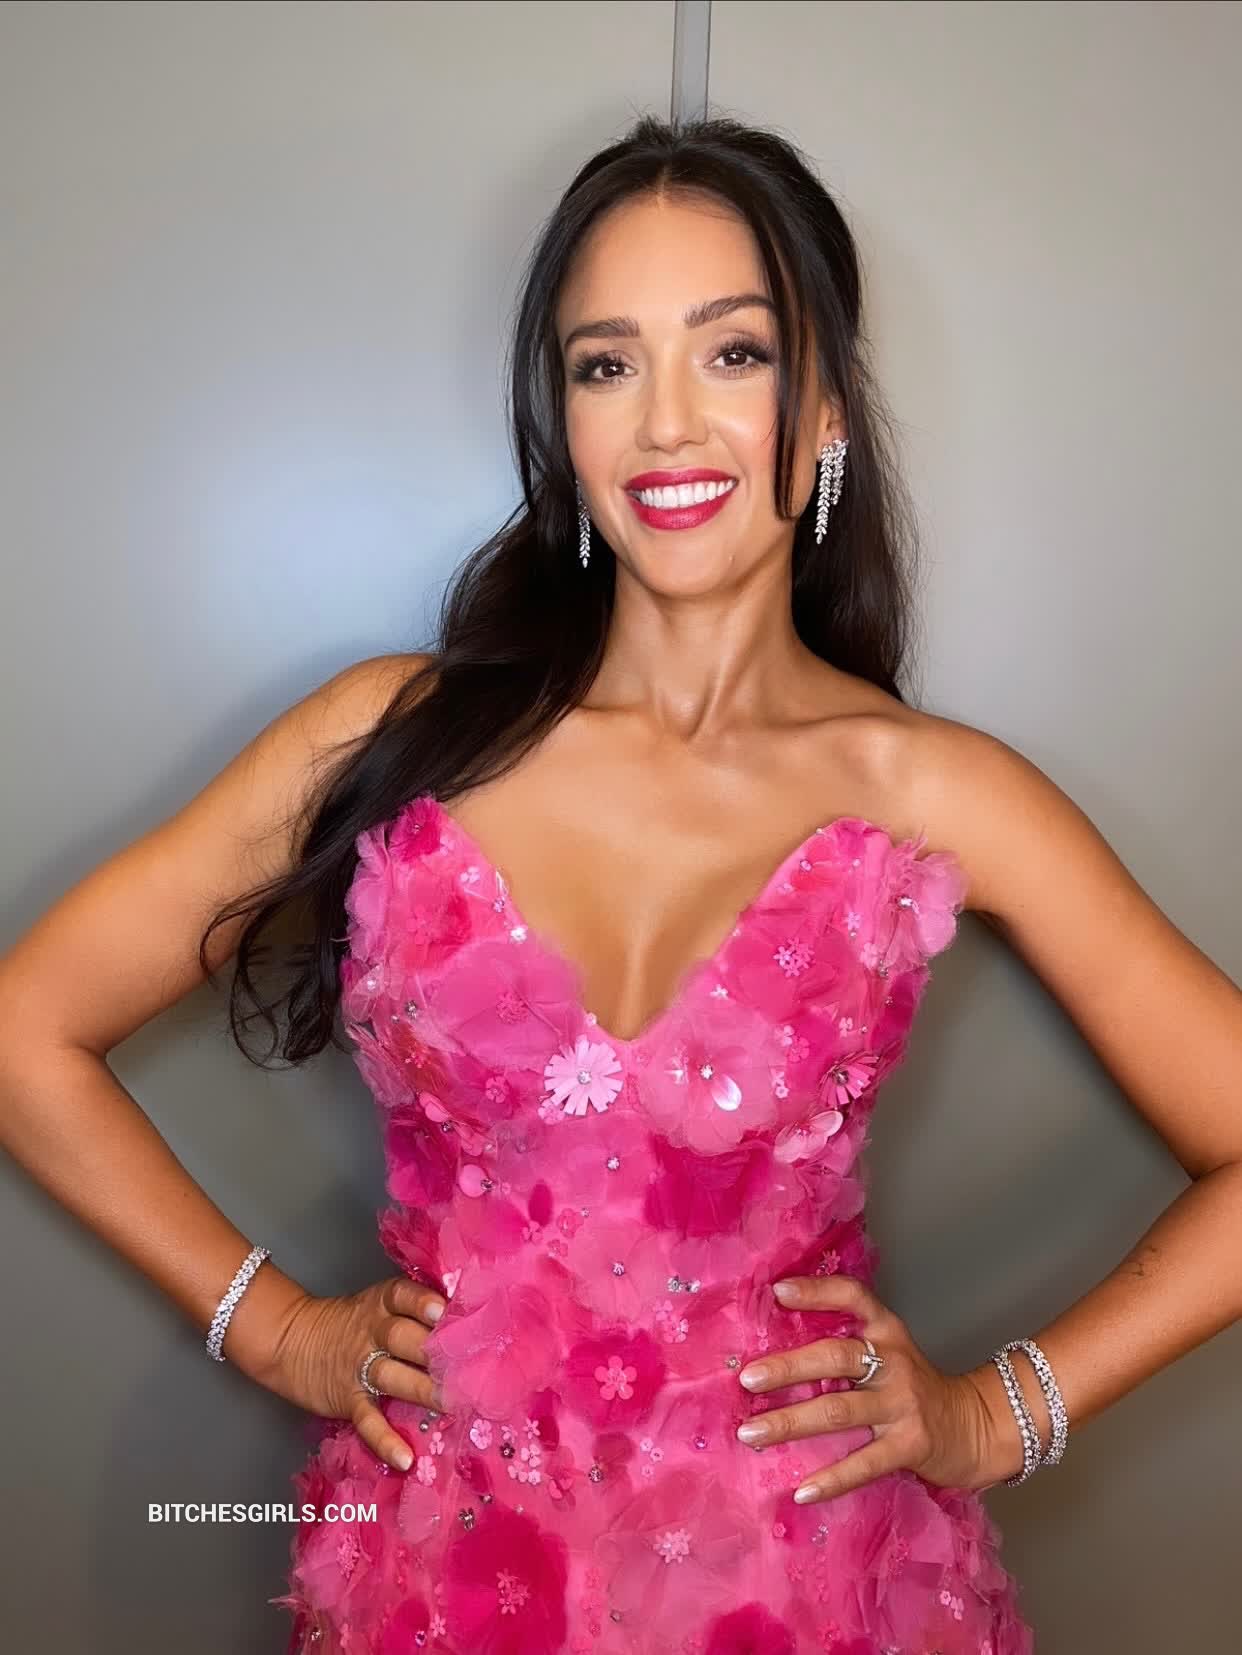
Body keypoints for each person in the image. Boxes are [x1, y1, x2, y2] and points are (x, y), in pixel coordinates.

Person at [2, 114, 1239, 1655]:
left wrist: (996, 1415)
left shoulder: (927, 793)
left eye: (732, 353)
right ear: (561, 418)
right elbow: (24, 1029)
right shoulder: (389, 737)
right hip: (448, 1581)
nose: (664, 424)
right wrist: (277, 1332)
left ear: (824, 405)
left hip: (808, 1591)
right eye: (605, 364)